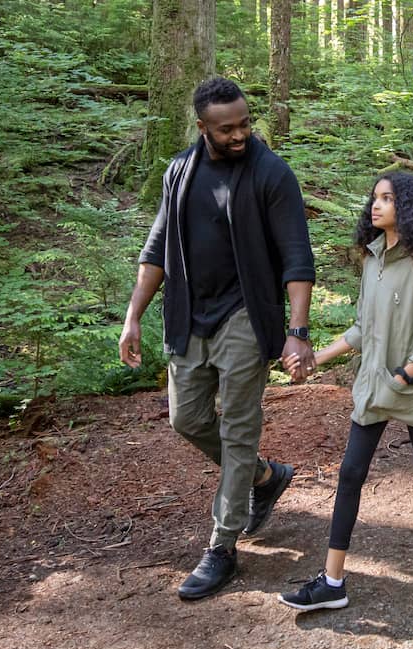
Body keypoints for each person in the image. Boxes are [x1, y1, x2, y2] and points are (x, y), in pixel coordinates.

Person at [119, 77, 317, 601]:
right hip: (189, 315)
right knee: (187, 418)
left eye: (245, 123)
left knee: (238, 429)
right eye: (226, 128)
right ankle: (264, 477)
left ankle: (221, 547)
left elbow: (297, 256)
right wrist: (133, 316)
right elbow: (157, 246)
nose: (239, 134)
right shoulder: (180, 171)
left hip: (247, 317)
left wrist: (297, 332)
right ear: (202, 126)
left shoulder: (271, 173)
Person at [278, 172, 413, 612]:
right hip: (372, 388)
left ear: (408, 208)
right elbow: (361, 328)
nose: (376, 206)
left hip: (410, 390)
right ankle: (333, 580)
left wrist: (406, 375)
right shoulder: (372, 261)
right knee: (350, 474)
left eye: (388, 199)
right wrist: (319, 356)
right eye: (375, 198)